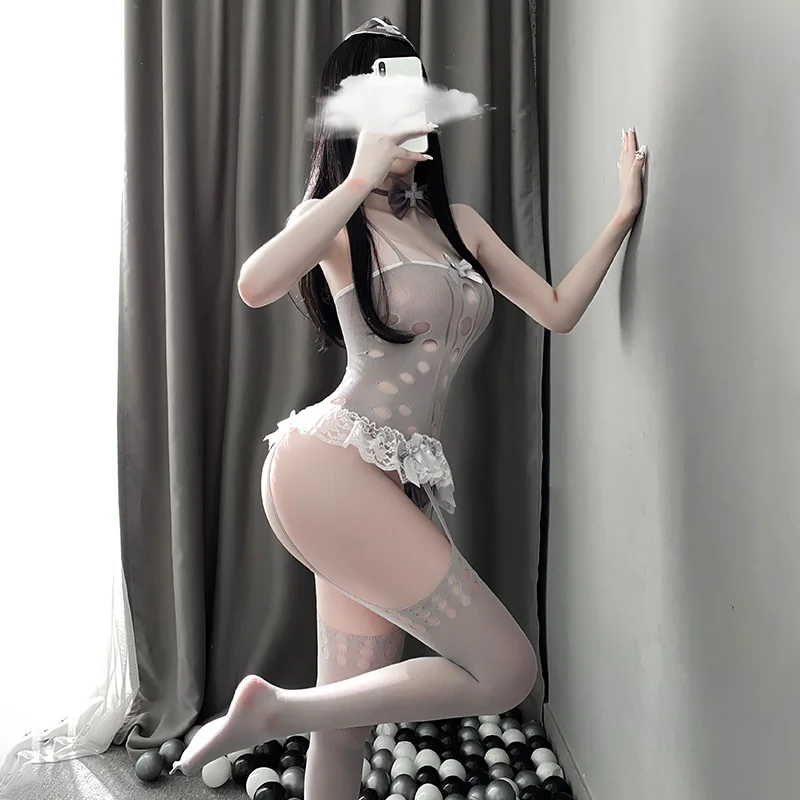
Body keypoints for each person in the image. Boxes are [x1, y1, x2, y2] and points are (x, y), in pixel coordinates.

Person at [171, 16, 646, 797]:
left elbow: (558, 310)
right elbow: (254, 284)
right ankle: (277, 710)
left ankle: (286, 711)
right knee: (507, 669)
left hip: (389, 479)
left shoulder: (458, 225)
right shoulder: (336, 220)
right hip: (329, 467)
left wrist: (622, 215)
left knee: (347, 726)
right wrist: (355, 179)